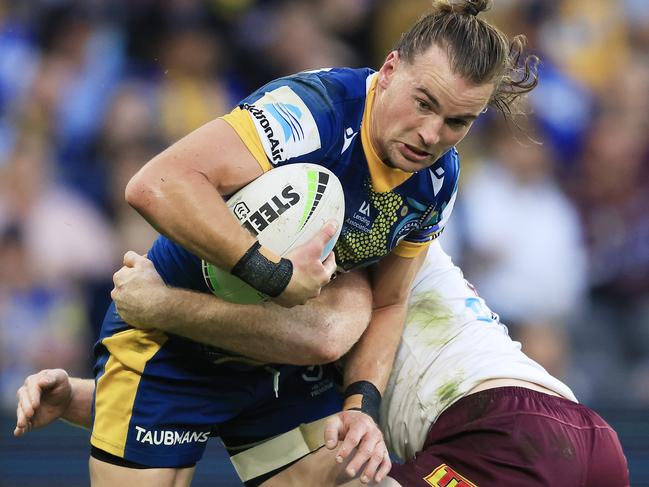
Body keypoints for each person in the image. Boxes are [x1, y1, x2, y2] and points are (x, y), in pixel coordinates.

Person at [79, 1, 538, 485]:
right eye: (423, 103)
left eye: (457, 122)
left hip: (278, 366)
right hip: (169, 347)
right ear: (390, 69)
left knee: (358, 470)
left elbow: (390, 301)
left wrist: (362, 406)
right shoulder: (310, 111)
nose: (430, 135)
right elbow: (155, 185)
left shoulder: (437, 180)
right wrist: (270, 272)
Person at [15, 241, 630, 486]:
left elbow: (325, 336)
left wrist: (161, 305)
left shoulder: (336, 241)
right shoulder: (288, 326)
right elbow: (202, 415)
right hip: (578, 432)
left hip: (500, 433)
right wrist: (77, 398)